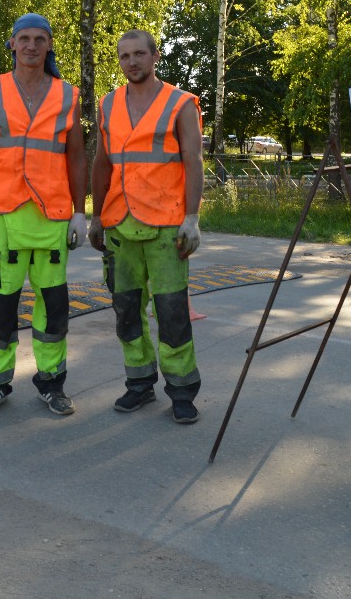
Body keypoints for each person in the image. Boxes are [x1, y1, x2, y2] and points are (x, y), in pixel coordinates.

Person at [0, 13, 87, 416]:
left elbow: (76, 157)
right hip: (2, 218)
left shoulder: (68, 95)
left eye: (40, 39)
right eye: (24, 39)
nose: (32, 46)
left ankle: (52, 383)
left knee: (53, 310)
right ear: (12, 44)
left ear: (49, 45)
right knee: (0, 308)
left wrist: (79, 213)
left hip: (52, 218)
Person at [89, 29, 204, 424]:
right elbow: (103, 163)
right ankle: (139, 383)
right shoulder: (108, 105)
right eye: (124, 56)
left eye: (139, 54)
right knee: (126, 312)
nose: (132, 62)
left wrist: (192, 218)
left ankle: (182, 391)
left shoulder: (180, 103)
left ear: (155, 57)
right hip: (121, 224)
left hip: (167, 228)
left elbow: (193, 162)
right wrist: (96, 215)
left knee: (171, 313)